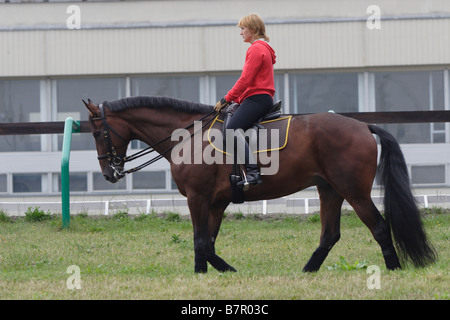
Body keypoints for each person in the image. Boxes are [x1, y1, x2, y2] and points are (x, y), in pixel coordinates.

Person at [215, 13, 276, 187]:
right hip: (258, 97)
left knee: (232, 130)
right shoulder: (263, 48)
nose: (240, 32)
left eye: (243, 28)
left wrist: (227, 98)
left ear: (254, 29)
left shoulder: (256, 49)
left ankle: (253, 172)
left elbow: (245, 80)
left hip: (257, 99)